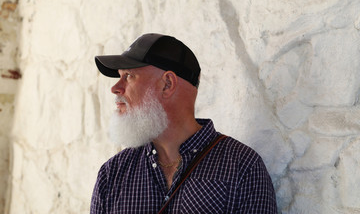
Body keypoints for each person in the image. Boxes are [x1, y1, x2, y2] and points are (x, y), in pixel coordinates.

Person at [90, 33, 277, 213]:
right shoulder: (112, 174)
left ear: (168, 84)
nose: (115, 88)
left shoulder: (243, 167)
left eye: (129, 76)